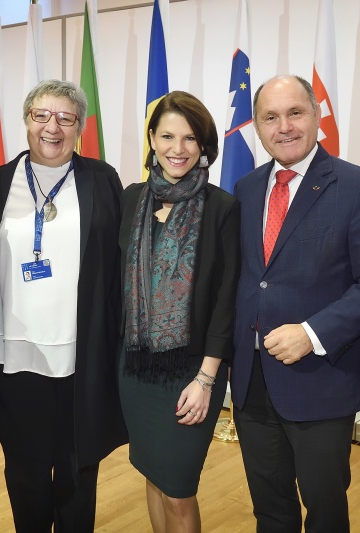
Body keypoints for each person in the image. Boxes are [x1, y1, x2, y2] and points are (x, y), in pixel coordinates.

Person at [230, 75, 360, 533]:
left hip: (321, 380)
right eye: (270, 117)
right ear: (258, 127)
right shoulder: (245, 189)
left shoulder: (356, 186)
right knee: (269, 509)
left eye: (295, 113)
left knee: (325, 512)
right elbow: (247, 280)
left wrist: (312, 332)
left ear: (317, 116)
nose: (283, 126)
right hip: (250, 382)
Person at [0, 79, 127, 532]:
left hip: (82, 357)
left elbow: (118, 266)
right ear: (26, 121)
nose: (52, 127)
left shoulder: (103, 179)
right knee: (25, 474)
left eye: (66, 117)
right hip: (16, 358)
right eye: (41, 115)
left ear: (80, 126)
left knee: (80, 472)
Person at [118, 90, 240, 533]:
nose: (178, 149)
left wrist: (207, 380)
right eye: (167, 136)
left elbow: (226, 300)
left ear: (204, 146)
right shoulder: (131, 199)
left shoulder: (223, 208)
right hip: (136, 366)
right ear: (152, 139)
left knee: (178, 489)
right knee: (152, 474)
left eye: (190, 139)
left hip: (191, 371)